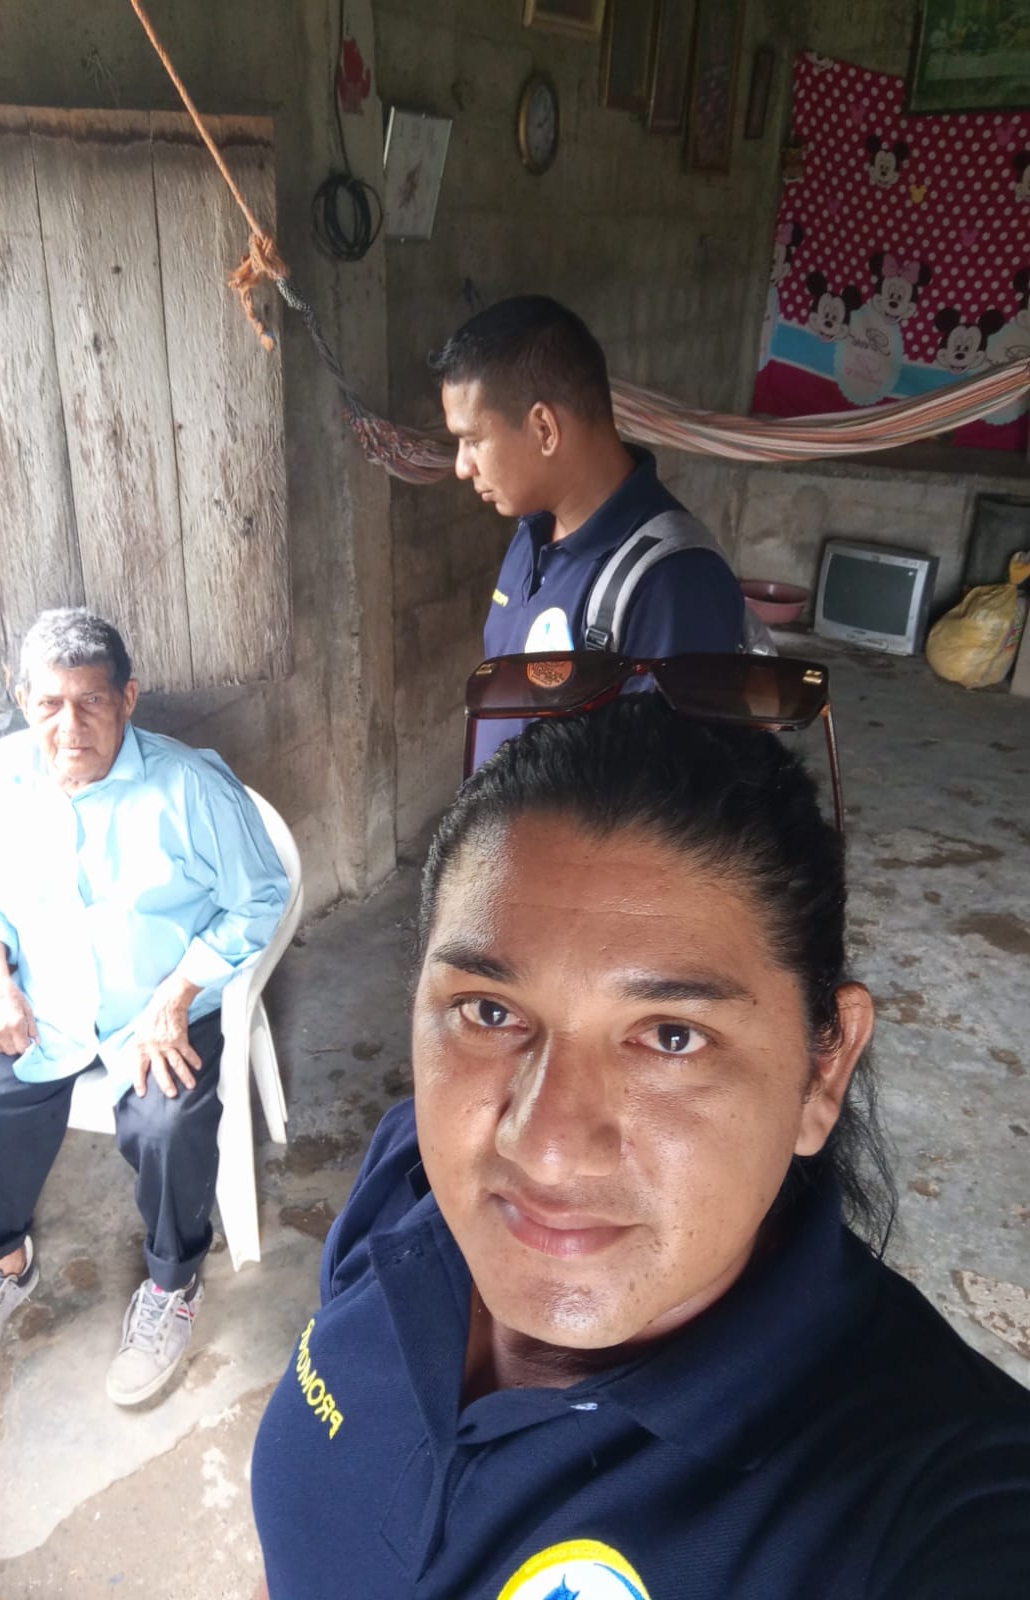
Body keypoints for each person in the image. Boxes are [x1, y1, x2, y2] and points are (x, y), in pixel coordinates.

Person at [250, 692, 1030, 1598]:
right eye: (490, 1011)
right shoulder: (408, 1180)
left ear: (825, 1070)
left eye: (671, 1036)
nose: (545, 1149)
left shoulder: (921, 1500)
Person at [0, 608, 288, 1406]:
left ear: (128, 696)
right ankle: (4, 1264)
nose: (71, 727)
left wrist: (180, 991)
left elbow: (263, 895)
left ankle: (172, 1284)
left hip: (158, 1006)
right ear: (24, 702)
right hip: (49, 1005)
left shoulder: (189, 785)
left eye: (91, 701)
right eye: (50, 705)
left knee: (167, 1126)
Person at [430, 295, 746, 765]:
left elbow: (670, 795)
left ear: (545, 429)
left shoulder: (673, 585)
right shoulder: (532, 534)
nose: (462, 466)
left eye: (472, 440)